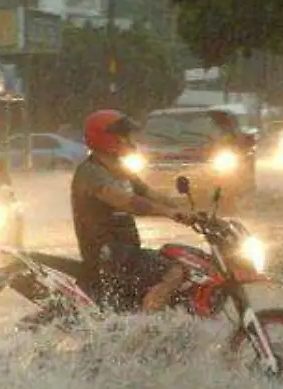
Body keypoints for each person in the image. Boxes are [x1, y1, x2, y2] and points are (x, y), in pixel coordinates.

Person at [71, 109, 194, 313]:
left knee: (184, 261)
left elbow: (148, 193)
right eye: (125, 136)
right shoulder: (91, 172)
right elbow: (127, 202)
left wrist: (186, 210)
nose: (131, 141)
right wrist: (168, 213)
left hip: (126, 250)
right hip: (107, 253)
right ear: (109, 138)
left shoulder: (119, 169)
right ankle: (146, 327)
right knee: (175, 271)